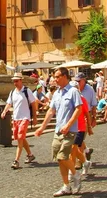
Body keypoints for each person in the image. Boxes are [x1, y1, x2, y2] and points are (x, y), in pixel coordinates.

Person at [35, 67, 83, 196]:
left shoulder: (73, 91)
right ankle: (66, 186)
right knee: (59, 159)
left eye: (57, 77)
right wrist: (42, 127)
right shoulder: (56, 93)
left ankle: (76, 174)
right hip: (58, 131)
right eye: (54, 77)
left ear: (65, 76)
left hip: (70, 131)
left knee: (63, 156)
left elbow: (79, 109)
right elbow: (51, 111)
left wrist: (68, 125)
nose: (54, 79)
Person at [1, 73, 38, 169]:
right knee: (20, 138)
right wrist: (4, 111)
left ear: (21, 80)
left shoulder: (27, 91)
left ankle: (16, 161)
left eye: (17, 81)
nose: (15, 83)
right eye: (14, 81)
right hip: (16, 118)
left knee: (20, 140)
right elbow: (9, 103)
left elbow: (33, 104)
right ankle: (30, 155)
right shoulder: (13, 92)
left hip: (25, 118)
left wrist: (34, 117)